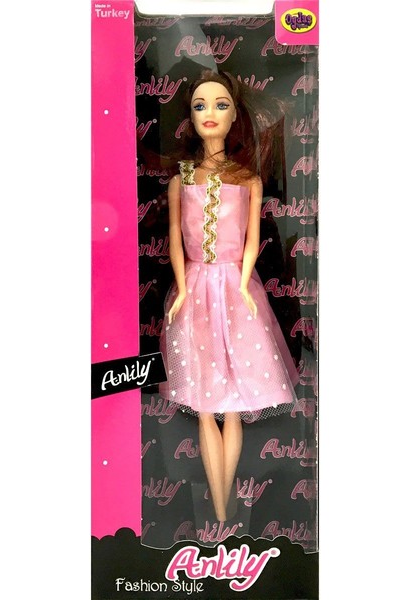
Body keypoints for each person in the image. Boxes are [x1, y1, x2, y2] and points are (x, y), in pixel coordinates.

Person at [159, 70, 299, 522]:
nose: (210, 113)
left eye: (221, 104)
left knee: (233, 406)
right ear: (190, 116)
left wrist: (242, 284)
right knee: (204, 405)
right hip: (195, 290)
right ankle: (221, 507)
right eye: (200, 105)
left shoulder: (248, 179)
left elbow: (253, 238)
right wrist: (182, 289)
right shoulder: (182, 178)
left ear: (236, 114)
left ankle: (223, 507)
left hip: (238, 291)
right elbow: (175, 241)